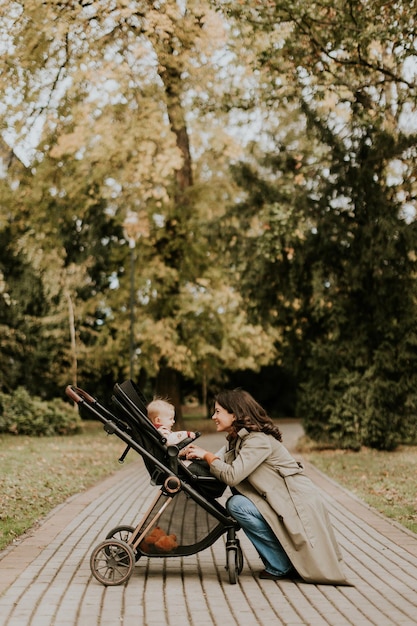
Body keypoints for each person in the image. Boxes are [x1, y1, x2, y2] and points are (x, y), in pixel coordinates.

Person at [184, 389, 350, 584]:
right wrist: (192, 454)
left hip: (295, 504)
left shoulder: (257, 441)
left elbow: (231, 475)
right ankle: (283, 560)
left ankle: (281, 564)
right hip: (279, 501)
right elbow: (218, 460)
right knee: (237, 503)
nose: (213, 417)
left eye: (218, 412)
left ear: (234, 414)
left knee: (237, 505)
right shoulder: (238, 439)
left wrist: (206, 456)